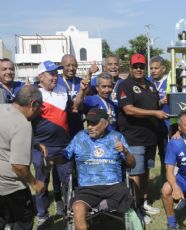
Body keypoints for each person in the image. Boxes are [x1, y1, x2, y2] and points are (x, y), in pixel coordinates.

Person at [65, 108, 136, 230]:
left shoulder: (116, 137)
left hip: (113, 186)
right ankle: (102, 205)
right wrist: (51, 158)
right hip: (87, 188)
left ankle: (103, 205)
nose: (90, 127)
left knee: (125, 197)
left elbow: (132, 164)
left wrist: (125, 151)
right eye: (88, 123)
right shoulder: (79, 137)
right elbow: (64, 156)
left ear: (105, 124)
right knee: (77, 208)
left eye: (94, 123)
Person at [118, 53, 168, 218]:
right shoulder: (125, 85)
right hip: (135, 137)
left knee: (146, 171)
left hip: (150, 137)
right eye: (135, 66)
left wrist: (162, 103)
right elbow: (128, 109)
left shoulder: (149, 84)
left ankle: (144, 202)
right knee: (135, 173)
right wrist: (155, 112)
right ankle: (135, 208)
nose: (138, 69)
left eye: (141, 66)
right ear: (130, 68)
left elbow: (152, 103)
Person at [32, 60, 75, 226]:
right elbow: (24, 121)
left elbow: (72, 112)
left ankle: (68, 213)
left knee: (67, 182)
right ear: (41, 76)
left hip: (63, 146)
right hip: (41, 147)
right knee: (42, 183)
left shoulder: (64, 90)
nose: (55, 77)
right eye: (51, 74)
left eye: (56, 73)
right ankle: (42, 216)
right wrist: (35, 142)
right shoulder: (32, 93)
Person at [0, 85, 45, 230]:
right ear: (33, 104)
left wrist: (34, 143)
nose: (40, 112)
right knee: (23, 222)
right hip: (11, 188)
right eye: (40, 107)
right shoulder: (22, 124)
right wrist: (34, 183)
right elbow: (18, 166)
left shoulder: (2, 109)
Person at [147, 56, 170, 179]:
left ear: (163, 68)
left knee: (165, 156)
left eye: (156, 68)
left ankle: (166, 182)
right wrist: (160, 102)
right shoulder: (147, 81)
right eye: (151, 68)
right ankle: (146, 187)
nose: (153, 71)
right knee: (149, 158)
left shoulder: (170, 80)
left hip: (166, 124)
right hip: (149, 125)